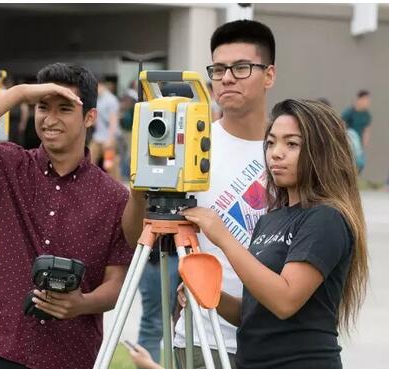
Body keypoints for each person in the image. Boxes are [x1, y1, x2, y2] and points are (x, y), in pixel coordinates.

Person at [0, 62, 133, 369]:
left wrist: (82, 304)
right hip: (0, 348)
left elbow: (118, 283)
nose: (50, 119)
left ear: (90, 117)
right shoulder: (9, 165)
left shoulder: (115, 197)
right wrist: (19, 93)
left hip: (69, 354)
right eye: (43, 107)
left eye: (65, 109)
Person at [122, 19, 277, 369]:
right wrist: (137, 194)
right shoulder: (187, 142)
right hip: (200, 338)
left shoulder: (287, 150)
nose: (226, 78)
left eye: (241, 67)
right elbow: (138, 240)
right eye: (218, 68)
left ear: (269, 75)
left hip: (274, 339)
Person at [179, 98, 368, 369]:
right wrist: (209, 294)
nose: (276, 153)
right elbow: (253, 312)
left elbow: (284, 300)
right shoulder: (269, 220)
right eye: (270, 143)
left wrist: (222, 236)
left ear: (321, 150)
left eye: (292, 144)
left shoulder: (327, 218)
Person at [89, 77, 121, 180]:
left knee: (110, 165)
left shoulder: (111, 100)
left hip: (108, 138)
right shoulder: (98, 99)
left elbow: (113, 121)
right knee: (89, 161)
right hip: (98, 137)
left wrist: (110, 139)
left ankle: (116, 189)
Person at [341, 90, 372, 173]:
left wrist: (364, 143)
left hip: (358, 145)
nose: (367, 102)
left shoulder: (367, 115)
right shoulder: (349, 112)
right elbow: (341, 125)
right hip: (349, 142)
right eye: (366, 100)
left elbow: (366, 130)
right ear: (360, 99)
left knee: (360, 163)